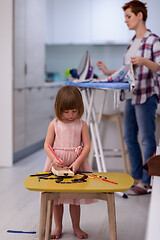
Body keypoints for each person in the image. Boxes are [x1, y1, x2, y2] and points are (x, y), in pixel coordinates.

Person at [97, 0, 160, 195]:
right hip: (131, 95)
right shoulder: (131, 43)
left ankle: (147, 183)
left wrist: (144, 61)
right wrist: (109, 71)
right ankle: (136, 178)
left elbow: (158, 67)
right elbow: (127, 71)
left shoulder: (153, 40)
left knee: (147, 139)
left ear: (139, 16)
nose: (125, 21)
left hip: (147, 95)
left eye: (128, 16)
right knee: (129, 137)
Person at [44, 85, 94, 239]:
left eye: (74, 111)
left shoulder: (82, 124)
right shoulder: (54, 124)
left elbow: (87, 146)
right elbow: (47, 145)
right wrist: (54, 159)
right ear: (59, 108)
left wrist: (78, 162)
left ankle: (76, 227)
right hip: (57, 165)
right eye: (67, 112)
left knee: (74, 199)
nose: (71, 115)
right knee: (56, 200)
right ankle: (58, 227)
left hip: (75, 165)